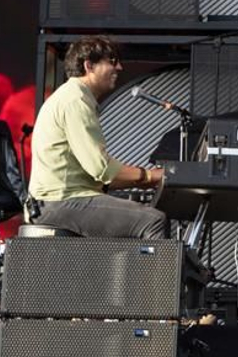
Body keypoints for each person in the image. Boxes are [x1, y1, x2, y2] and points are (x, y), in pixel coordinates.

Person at [27, 35, 169, 239]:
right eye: (112, 61)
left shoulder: (72, 96)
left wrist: (142, 181)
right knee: (153, 220)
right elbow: (101, 169)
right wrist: (149, 176)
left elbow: (98, 178)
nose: (119, 67)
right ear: (89, 66)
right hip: (60, 202)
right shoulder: (75, 100)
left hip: (56, 201)